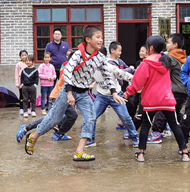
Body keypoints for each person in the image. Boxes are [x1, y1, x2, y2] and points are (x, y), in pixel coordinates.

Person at [24, 26, 121, 162]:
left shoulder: (100, 57)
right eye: (97, 37)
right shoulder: (77, 54)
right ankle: (33, 137)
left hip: (84, 93)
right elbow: (67, 72)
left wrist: (114, 92)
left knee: (90, 118)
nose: (101, 40)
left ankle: (79, 151)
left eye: (101, 37)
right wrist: (69, 93)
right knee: (54, 119)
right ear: (88, 39)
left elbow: (107, 75)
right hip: (68, 90)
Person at [123, 36, 190, 162]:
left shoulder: (146, 63)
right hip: (167, 98)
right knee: (175, 125)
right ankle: (185, 153)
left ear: (151, 48)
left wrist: (128, 92)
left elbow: (137, 82)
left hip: (151, 100)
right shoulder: (167, 61)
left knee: (145, 125)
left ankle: (141, 154)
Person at [151, 33, 190, 140]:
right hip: (183, 91)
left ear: (175, 45)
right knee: (174, 112)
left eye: (168, 42)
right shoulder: (184, 57)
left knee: (162, 109)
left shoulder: (170, 58)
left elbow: (165, 76)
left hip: (174, 90)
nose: (167, 45)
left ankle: (155, 134)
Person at [88, 46, 139, 148]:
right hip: (101, 96)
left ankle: (135, 138)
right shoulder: (91, 68)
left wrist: (140, 81)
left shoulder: (110, 68)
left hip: (116, 96)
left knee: (126, 117)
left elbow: (126, 75)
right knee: (91, 118)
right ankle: (90, 139)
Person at [16, 72, 76, 143]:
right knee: (51, 118)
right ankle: (26, 127)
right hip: (57, 96)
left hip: (67, 98)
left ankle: (59, 134)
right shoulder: (70, 71)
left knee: (72, 115)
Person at [108, 41, 136, 131]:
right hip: (111, 92)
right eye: (119, 51)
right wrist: (130, 69)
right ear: (112, 50)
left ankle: (122, 124)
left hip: (120, 89)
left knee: (130, 106)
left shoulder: (120, 61)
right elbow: (121, 72)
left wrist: (136, 70)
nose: (120, 53)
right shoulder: (110, 63)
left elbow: (127, 70)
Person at [15, 50, 28, 115]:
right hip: (21, 83)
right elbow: (16, 74)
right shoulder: (18, 65)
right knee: (22, 96)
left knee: (28, 97)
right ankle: (21, 108)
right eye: (22, 55)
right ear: (20, 56)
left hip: (28, 83)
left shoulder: (28, 63)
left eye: (25, 55)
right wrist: (17, 83)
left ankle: (28, 108)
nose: (24, 57)